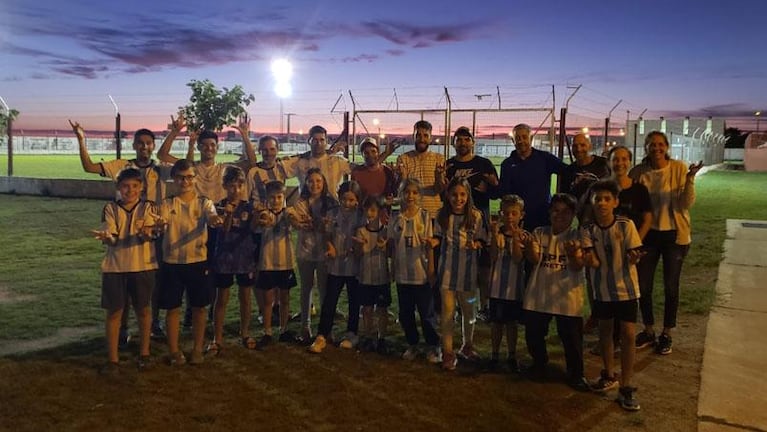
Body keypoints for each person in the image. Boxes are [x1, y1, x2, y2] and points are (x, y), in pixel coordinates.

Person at [71, 121, 169, 341]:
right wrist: (81, 140)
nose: (144, 147)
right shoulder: (122, 166)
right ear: (134, 145)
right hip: (123, 233)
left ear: (153, 146)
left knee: (152, 282)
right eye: (140, 143)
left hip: (152, 232)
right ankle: (123, 328)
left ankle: (154, 322)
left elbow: (186, 166)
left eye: (148, 143)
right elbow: (89, 167)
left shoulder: (160, 169)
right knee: (122, 281)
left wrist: (175, 133)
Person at [629, 131, 702, 355]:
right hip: (648, 236)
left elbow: (686, 203)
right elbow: (631, 204)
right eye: (652, 144)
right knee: (644, 286)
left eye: (660, 144)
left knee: (671, 287)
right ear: (646, 147)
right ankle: (649, 329)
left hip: (675, 237)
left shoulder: (679, 168)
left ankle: (667, 333)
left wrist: (689, 180)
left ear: (667, 146)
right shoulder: (639, 172)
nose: (657, 148)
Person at [581, 179, 644, 411]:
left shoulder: (626, 225)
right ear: (592, 202)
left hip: (626, 289)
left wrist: (634, 258)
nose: (602, 203)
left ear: (616, 202)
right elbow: (593, 261)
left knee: (628, 334)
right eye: (598, 199)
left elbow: (632, 253)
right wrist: (588, 258)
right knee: (605, 332)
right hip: (602, 290)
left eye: (607, 199)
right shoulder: (587, 230)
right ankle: (609, 373)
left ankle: (626, 385)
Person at [92, 168, 159, 373]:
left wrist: (146, 233)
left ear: (142, 188)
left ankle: (144, 353)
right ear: (118, 188)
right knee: (114, 312)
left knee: (143, 310)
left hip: (143, 265)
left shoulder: (149, 207)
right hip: (115, 267)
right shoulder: (111, 208)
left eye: (135, 186)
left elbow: (149, 236)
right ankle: (113, 359)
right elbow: (112, 236)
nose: (130, 190)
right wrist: (107, 238)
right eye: (125, 186)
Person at [157, 159, 223, 365]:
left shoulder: (204, 202)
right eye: (180, 177)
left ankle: (196, 349)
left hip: (197, 261)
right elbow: (161, 222)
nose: (185, 181)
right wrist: (158, 224)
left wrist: (213, 220)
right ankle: (175, 351)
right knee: (173, 308)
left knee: (199, 307)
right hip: (172, 262)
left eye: (189, 177)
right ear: (174, 179)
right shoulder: (167, 203)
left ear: (195, 179)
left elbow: (211, 215)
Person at [522, 193, 589, 391]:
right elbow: (534, 260)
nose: (560, 215)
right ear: (550, 212)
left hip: (566, 295)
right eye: (556, 210)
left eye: (566, 212)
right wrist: (528, 248)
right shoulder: (540, 232)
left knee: (572, 339)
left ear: (574, 215)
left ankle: (576, 373)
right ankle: (539, 363)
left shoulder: (577, 237)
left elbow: (578, 267)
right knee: (533, 334)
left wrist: (572, 254)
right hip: (540, 293)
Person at [445, 126, 499, 321]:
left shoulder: (484, 164)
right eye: (458, 140)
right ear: (453, 144)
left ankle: (484, 307)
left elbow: (496, 192)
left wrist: (491, 187)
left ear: (472, 142)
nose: (462, 143)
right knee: (459, 267)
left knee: (483, 268)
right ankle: (462, 308)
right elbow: (444, 194)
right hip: (457, 223)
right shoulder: (449, 165)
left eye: (466, 139)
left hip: (479, 219)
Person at [433, 177, 488, 370]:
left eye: (462, 194)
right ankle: (448, 351)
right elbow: (437, 237)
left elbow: (482, 239)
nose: (458, 199)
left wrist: (477, 244)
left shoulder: (476, 216)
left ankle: (467, 344)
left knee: (469, 311)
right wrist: (433, 242)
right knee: (448, 313)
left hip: (468, 275)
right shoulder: (442, 215)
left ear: (468, 196)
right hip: (447, 273)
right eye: (454, 195)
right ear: (448, 196)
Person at [389, 178, 441, 363]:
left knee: (427, 314)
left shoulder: (425, 216)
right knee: (405, 313)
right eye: (406, 192)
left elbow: (430, 246)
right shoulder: (395, 217)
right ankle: (412, 343)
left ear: (419, 195)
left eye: (414, 192)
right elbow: (394, 246)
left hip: (421, 274)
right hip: (403, 274)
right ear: (401, 194)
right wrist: (392, 267)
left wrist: (431, 269)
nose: (410, 196)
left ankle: (433, 346)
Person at [308, 181, 364, 353]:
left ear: (357, 200)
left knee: (354, 301)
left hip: (354, 266)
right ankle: (322, 334)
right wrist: (329, 245)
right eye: (344, 199)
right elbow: (326, 233)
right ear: (339, 198)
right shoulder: (332, 214)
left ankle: (352, 333)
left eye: (351, 200)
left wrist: (358, 247)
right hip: (336, 266)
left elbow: (363, 238)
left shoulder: (361, 216)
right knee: (330, 301)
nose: (347, 203)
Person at [208, 166, 258, 355]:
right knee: (222, 298)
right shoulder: (218, 205)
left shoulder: (248, 206)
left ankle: (245, 332)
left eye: (239, 185)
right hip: (224, 258)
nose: (235, 190)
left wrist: (258, 216)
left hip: (244, 256)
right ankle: (217, 337)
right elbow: (225, 229)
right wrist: (228, 214)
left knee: (246, 297)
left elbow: (253, 228)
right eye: (231, 186)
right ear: (224, 186)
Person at [289, 168, 339, 343]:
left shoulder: (331, 202)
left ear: (324, 182)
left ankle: (327, 328)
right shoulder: (301, 201)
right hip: (306, 249)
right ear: (306, 183)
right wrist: (307, 223)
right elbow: (300, 223)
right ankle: (305, 327)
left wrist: (316, 224)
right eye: (311, 181)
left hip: (325, 250)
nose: (315, 184)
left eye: (318, 181)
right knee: (306, 288)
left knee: (325, 290)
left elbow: (330, 225)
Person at [158, 113, 256, 203]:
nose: (209, 148)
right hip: (196, 216)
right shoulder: (192, 169)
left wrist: (245, 136)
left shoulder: (225, 169)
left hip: (220, 215)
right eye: (204, 145)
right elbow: (162, 155)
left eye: (212, 145)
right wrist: (174, 133)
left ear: (217, 147)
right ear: (199, 147)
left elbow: (252, 163)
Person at [499, 123, 567, 230]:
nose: (521, 141)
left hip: (542, 216)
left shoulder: (545, 158)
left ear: (531, 138)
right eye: (518, 138)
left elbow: (567, 171)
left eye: (524, 137)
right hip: (518, 219)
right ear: (513, 141)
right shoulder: (507, 164)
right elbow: (504, 193)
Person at [255, 180, 298, 347]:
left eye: (279, 197)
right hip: (267, 263)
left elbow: (292, 219)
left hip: (285, 262)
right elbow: (263, 221)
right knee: (268, 301)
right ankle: (267, 331)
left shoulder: (288, 212)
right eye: (272, 197)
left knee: (285, 299)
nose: (276, 200)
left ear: (284, 197)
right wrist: (263, 219)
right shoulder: (264, 212)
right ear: (267, 199)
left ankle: (283, 329)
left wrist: (297, 222)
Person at [487, 195, 527, 373]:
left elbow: (518, 258)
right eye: (506, 213)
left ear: (521, 215)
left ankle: (511, 355)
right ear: (500, 213)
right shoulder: (496, 233)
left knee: (511, 323)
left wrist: (517, 239)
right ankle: (494, 355)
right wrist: (495, 236)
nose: (509, 217)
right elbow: (493, 257)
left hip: (514, 289)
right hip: (496, 288)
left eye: (514, 213)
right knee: (496, 323)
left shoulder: (524, 235)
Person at [354, 196, 392, 354]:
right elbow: (357, 254)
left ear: (380, 212)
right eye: (367, 210)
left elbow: (391, 253)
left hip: (382, 277)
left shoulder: (386, 231)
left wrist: (384, 247)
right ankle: (368, 336)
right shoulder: (361, 231)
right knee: (367, 309)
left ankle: (381, 337)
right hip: (366, 277)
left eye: (373, 210)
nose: (369, 213)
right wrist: (360, 246)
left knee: (382, 309)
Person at [560, 133, 611, 214]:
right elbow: (564, 199)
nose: (579, 149)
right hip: (579, 219)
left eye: (582, 145)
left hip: (603, 215)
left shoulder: (604, 164)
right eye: (575, 146)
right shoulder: (568, 171)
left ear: (590, 146)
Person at [350, 137, 398, 202]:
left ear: (378, 153)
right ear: (362, 155)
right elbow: (353, 196)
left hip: (383, 211)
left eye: (373, 151)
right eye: (366, 153)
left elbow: (396, 194)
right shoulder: (356, 172)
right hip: (363, 211)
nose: (370, 155)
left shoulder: (387, 172)